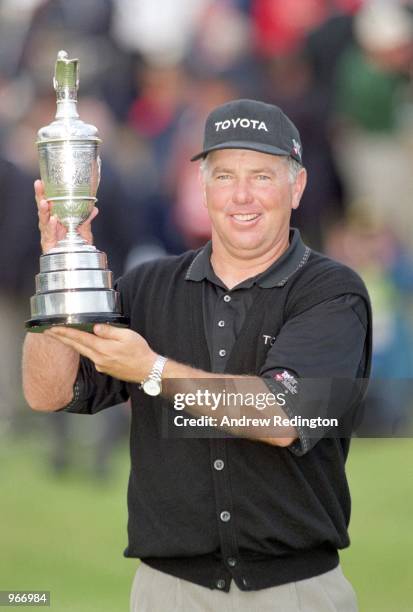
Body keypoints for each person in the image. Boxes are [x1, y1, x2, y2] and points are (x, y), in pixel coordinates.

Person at [22, 99, 372, 612]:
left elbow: (283, 416)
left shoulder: (331, 292)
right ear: (202, 189)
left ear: (296, 187)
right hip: (168, 593)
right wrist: (60, 267)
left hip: (297, 594)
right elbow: (47, 391)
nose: (242, 195)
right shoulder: (146, 286)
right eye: (225, 176)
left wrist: (154, 371)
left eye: (262, 176)